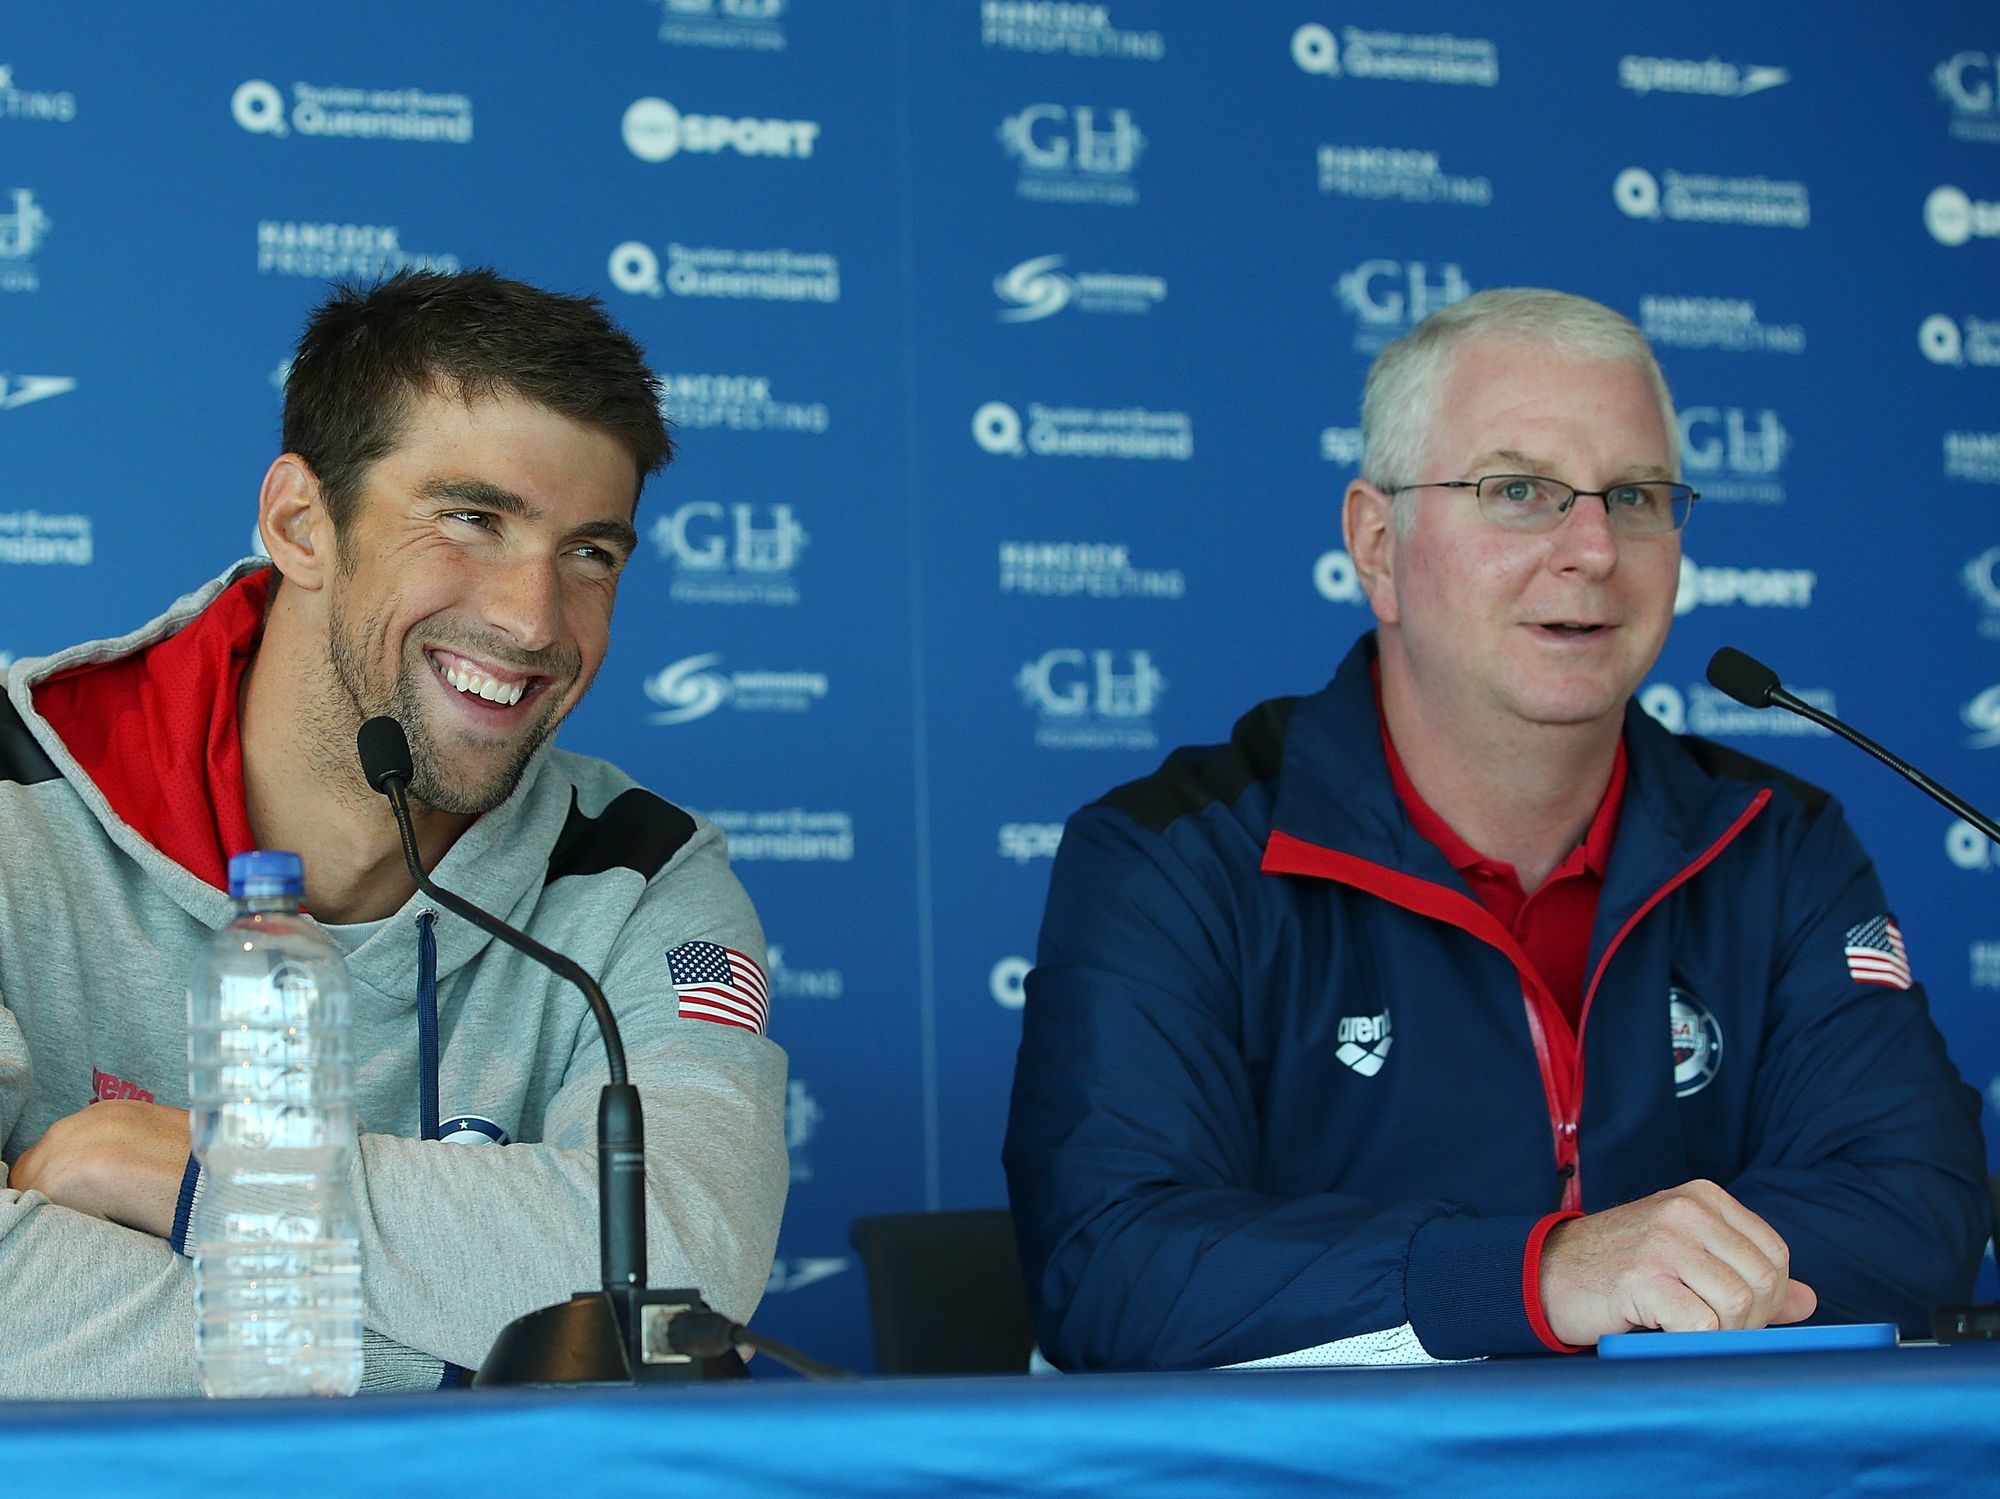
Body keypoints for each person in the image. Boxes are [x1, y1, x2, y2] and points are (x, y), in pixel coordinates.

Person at [1003, 288, 1989, 1370]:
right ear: (1378, 545)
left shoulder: (1775, 842)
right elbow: (1109, 1263)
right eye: (1517, 490)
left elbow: (1913, 1209)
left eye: (1634, 495)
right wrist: (1537, 1276)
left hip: (1683, 1457)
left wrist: (1632, 1289)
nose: (1592, 548)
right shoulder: (1172, 854)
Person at [0, 270, 788, 1394]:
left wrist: (207, 1180)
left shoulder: (642, 872)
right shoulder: (12, 792)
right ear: (301, 524)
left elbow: (681, 1262)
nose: (531, 619)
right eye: (472, 519)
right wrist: (462, 1372)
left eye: (589, 554)